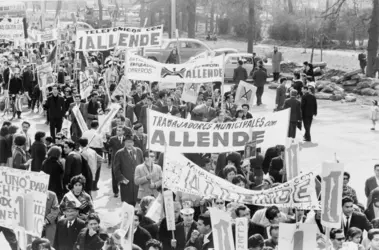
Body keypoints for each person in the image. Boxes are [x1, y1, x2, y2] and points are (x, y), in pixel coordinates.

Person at [113, 134, 144, 206]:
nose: (129, 144)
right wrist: (122, 179)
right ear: (124, 142)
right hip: (126, 183)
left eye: (131, 142)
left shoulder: (139, 151)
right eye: (127, 142)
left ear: (133, 143)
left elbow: (142, 165)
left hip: (137, 183)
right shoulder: (119, 153)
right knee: (127, 204)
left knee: (138, 203)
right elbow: (116, 169)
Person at [108, 125, 126, 198]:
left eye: (120, 130)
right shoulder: (112, 139)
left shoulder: (126, 139)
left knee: (124, 175)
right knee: (114, 176)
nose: (118, 132)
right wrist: (105, 141)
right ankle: (115, 191)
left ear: (123, 131)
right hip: (115, 160)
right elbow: (107, 147)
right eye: (117, 130)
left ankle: (124, 191)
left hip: (124, 160)